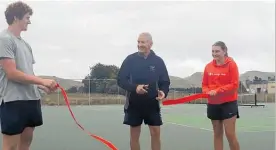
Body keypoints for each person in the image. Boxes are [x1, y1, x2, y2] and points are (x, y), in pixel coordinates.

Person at [0, 1, 58, 150]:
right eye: (26, 17)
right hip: (13, 100)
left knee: (26, 143)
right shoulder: (5, 39)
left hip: (31, 99)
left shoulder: (26, 45)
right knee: (11, 147)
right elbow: (12, 73)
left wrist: (41, 85)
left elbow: (28, 73)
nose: (29, 21)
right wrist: (42, 80)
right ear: (15, 18)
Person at [117, 32, 170, 150]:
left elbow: (165, 81)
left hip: (152, 103)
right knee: (134, 135)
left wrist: (163, 92)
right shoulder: (130, 60)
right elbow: (121, 80)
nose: (140, 44)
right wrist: (135, 88)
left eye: (143, 42)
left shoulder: (158, 61)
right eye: (138, 42)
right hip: (134, 103)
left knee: (155, 133)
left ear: (150, 44)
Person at [202, 41, 240, 150]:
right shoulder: (208, 67)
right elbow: (204, 84)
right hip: (213, 104)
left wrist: (217, 91)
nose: (214, 54)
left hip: (228, 103)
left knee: (230, 134)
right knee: (217, 134)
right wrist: (207, 91)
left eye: (217, 51)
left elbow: (234, 85)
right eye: (213, 51)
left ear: (224, 51)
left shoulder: (231, 65)